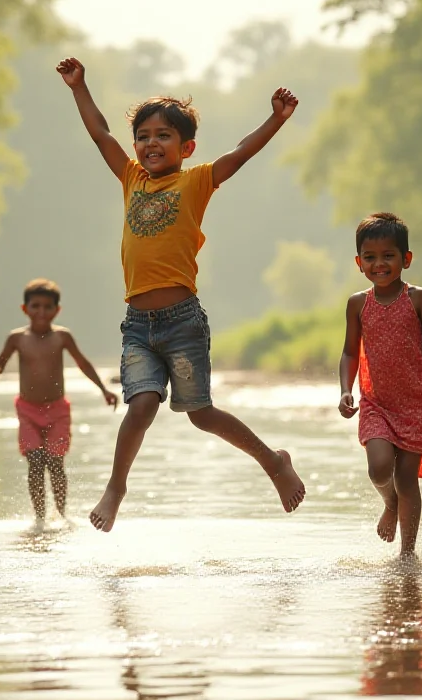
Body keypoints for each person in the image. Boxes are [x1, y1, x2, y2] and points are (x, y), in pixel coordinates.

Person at [56, 56, 306, 532]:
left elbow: (240, 153)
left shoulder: (194, 181)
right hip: (137, 326)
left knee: (200, 414)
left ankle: (273, 461)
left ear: (186, 147)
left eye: (164, 136)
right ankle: (115, 488)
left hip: (182, 321)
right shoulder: (130, 178)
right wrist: (78, 87)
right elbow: (100, 134)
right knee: (142, 404)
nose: (151, 143)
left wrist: (274, 119)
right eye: (144, 136)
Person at [338, 213, 422, 557]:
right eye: (370, 257)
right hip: (377, 403)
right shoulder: (358, 304)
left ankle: (407, 553)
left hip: (417, 403)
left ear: (406, 259)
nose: (379, 264)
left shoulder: (418, 298)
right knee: (379, 467)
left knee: (406, 477)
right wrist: (345, 389)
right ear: (359, 263)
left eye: (389, 255)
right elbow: (348, 352)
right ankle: (389, 503)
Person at [0, 278, 118, 523]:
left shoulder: (62, 337)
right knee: (34, 462)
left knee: (55, 463)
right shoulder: (17, 339)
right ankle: (40, 518)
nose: (41, 312)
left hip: (57, 411)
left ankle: (62, 515)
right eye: (36, 306)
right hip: (28, 410)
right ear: (25, 309)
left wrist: (104, 389)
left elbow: (83, 363)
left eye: (47, 307)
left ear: (57, 310)